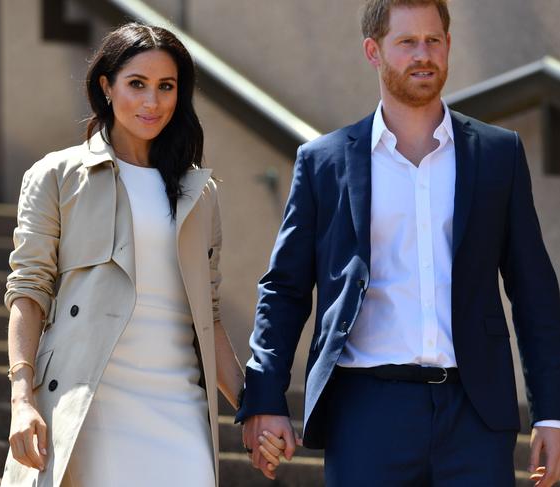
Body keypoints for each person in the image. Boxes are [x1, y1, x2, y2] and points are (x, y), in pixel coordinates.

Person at [237, 1, 560, 485]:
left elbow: (535, 293)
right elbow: (284, 289)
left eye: (434, 40)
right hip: (366, 411)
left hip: (475, 415)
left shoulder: (498, 154)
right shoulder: (323, 162)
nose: (423, 54)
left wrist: (550, 413)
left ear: (448, 45)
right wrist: (265, 397)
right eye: (407, 42)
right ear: (374, 51)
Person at [0, 23, 267, 487]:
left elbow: (211, 317)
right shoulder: (57, 176)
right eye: (137, 84)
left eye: (166, 87)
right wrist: (22, 398)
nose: (152, 102)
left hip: (179, 407)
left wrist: (254, 407)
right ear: (106, 87)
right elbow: (28, 290)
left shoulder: (198, 194)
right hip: (92, 405)